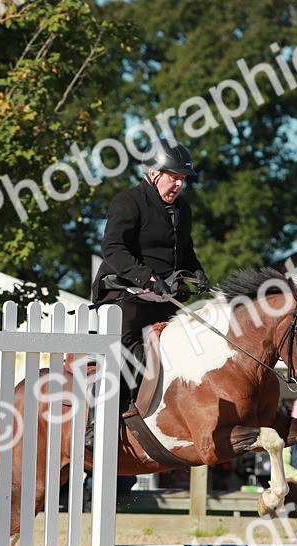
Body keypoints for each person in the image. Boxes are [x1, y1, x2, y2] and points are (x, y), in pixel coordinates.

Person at [95, 139, 210, 409]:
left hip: (163, 297)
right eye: (175, 177)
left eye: (183, 179)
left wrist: (197, 271)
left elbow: (185, 250)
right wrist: (148, 279)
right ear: (154, 173)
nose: (180, 184)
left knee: (187, 349)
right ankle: (97, 420)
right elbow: (112, 248)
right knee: (120, 355)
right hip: (124, 295)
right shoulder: (128, 202)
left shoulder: (182, 209)